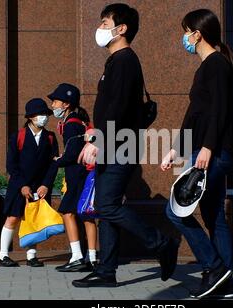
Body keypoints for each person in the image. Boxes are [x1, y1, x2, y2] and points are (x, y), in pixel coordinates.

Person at [73, 3, 180, 288]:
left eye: (105, 22)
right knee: (108, 206)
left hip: (120, 144)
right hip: (117, 143)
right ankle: (107, 271)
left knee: (106, 206)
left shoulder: (124, 61)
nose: (100, 28)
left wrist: (99, 140)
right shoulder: (116, 61)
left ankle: (161, 243)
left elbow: (118, 108)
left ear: (121, 29)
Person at [161, 9, 233, 299]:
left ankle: (214, 267)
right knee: (214, 215)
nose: (184, 37)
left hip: (213, 152)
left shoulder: (216, 64)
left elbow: (220, 110)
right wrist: (175, 150)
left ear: (197, 33)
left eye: (186, 31)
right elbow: (194, 116)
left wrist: (206, 148)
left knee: (175, 211)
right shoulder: (206, 67)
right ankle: (224, 285)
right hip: (208, 149)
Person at [0, 98, 59, 267]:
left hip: (40, 187)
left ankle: (32, 256)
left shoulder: (51, 137)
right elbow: (11, 164)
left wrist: (46, 184)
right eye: (41, 114)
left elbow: (53, 164)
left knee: (34, 220)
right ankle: (3, 255)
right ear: (31, 116)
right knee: (13, 218)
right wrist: (22, 185)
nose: (45, 117)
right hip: (19, 185)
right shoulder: (18, 136)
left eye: (46, 114)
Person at [47, 83, 98, 272]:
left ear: (66, 104)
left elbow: (72, 154)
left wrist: (55, 162)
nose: (53, 105)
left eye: (55, 101)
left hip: (76, 176)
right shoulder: (81, 121)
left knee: (67, 212)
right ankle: (92, 257)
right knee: (87, 215)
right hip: (88, 174)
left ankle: (76, 256)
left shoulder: (71, 124)